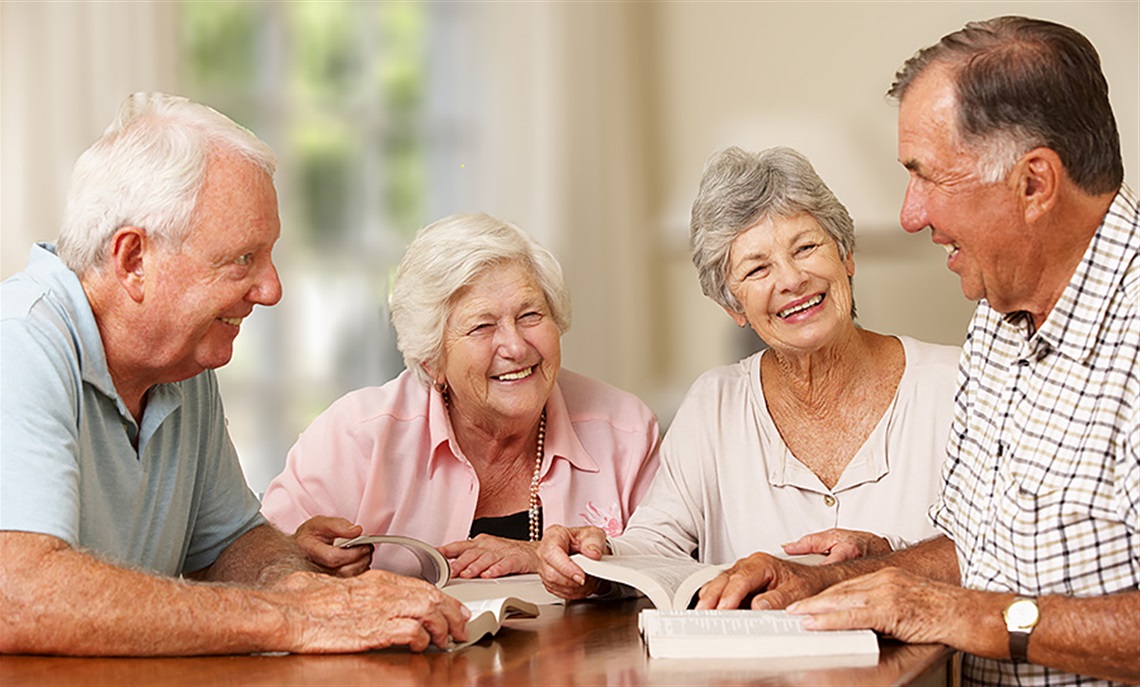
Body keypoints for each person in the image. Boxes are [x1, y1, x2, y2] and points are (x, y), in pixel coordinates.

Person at [691, 17, 1139, 686]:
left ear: (1035, 182)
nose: (910, 212)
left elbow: (963, 600)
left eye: (927, 176)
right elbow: (972, 550)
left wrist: (960, 614)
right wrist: (825, 579)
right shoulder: (997, 314)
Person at [0, 93, 469, 655]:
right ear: (133, 261)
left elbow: (231, 543)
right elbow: (19, 593)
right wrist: (291, 615)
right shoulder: (19, 343)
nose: (271, 290)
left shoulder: (180, 360)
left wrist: (295, 583)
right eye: (243, 260)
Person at [537, 146, 960, 599]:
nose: (791, 279)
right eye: (758, 268)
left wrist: (882, 557)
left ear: (847, 257)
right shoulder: (714, 403)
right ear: (732, 305)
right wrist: (594, 560)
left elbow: (999, 549)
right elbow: (657, 545)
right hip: (757, 671)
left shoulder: (954, 383)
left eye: (807, 247)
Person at [259, 212, 661, 580]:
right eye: (482, 326)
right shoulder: (356, 438)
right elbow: (255, 564)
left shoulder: (624, 431)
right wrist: (297, 557)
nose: (516, 347)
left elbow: (670, 570)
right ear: (432, 361)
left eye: (530, 316)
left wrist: (539, 556)